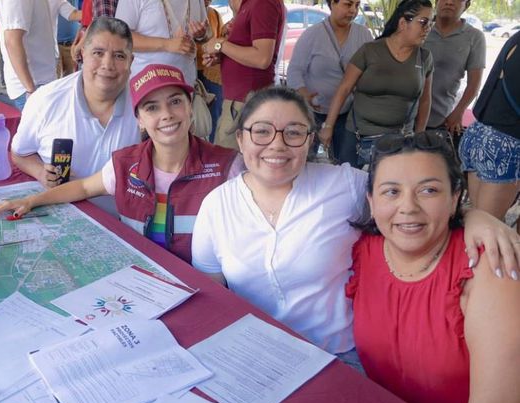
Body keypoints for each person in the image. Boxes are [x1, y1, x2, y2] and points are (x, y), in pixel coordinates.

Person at [191, 86, 520, 367]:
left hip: (341, 356)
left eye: (293, 132)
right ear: (240, 138)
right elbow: (212, 296)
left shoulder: (343, 185)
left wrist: (475, 216)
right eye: (261, 131)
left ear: (310, 140)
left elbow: (409, 200)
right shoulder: (216, 207)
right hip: (258, 357)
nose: (277, 145)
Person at [346, 132, 520, 403]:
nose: (408, 207)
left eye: (429, 190)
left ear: (455, 198)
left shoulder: (489, 268)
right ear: (370, 199)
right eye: (391, 192)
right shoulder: (362, 252)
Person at [0, 64, 240, 263]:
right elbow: (83, 188)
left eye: (175, 102)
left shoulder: (226, 167)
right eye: (152, 108)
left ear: (190, 108)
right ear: (138, 119)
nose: (166, 115)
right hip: (142, 275)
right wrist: (31, 201)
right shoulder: (126, 164)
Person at [0, 17, 141, 196]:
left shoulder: (146, 105)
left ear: (131, 60)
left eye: (119, 56)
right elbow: (20, 153)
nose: (108, 65)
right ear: (82, 53)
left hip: (123, 217)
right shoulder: (45, 100)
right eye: (98, 53)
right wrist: (41, 173)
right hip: (66, 211)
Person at [319, 0, 434, 168]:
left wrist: (419, 135)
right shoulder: (370, 50)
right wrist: (328, 126)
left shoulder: (424, 58)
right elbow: (344, 89)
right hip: (357, 136)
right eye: (423, 22)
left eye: (431, 22)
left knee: (388, 189)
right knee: (349, 186)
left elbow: (425, 100)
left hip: (399, 140)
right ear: (403, 23)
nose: (428, 28)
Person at [286, 0, 372, 165]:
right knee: (306, 162)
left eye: (357, 5)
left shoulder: (364, 35)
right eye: (348, 4)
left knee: (346, 163)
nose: (353, 10)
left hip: (348, 113)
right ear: (332, 3)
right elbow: (294, 71)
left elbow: (371, 72)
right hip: (313, 114)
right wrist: (305, 94)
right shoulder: (312, 34)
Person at [201, 0, 285, 150]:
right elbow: (248, 53)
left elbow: (262, 58)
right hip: (239, 101)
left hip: (246, 102)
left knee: (230, 164)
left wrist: (221, 44)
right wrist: (222, 55)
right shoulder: (249, 5)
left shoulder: (262, 3)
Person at [460, 32, 519, 234]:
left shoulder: (516, 38)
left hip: (480, 133)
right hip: (506, 144)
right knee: (487, 232)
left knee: (479, 221)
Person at [0, 0, 81, 110]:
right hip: (32, 86)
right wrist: (30, 89)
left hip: (41, 81)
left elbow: (72, 14)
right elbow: (12, 41)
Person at [424, 0, 485, 139]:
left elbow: (474, 84)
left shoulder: (474, 37)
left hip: (441, 120)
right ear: (436, 2)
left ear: (466, 5)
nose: (449, 2)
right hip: (406, 117)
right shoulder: (422, 28)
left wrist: (458, 112)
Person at [115, 0, 209, 86]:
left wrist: (201, 34)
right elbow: (119, 38)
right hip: (147, 86)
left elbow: (207, 34)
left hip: (186, 85)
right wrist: (166, 44)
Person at [196, 0, 224, 142]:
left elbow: (221, 39)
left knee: (214, 117)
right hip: (193, 72)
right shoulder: (187, 13)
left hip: (212, 73)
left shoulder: (214, 15)